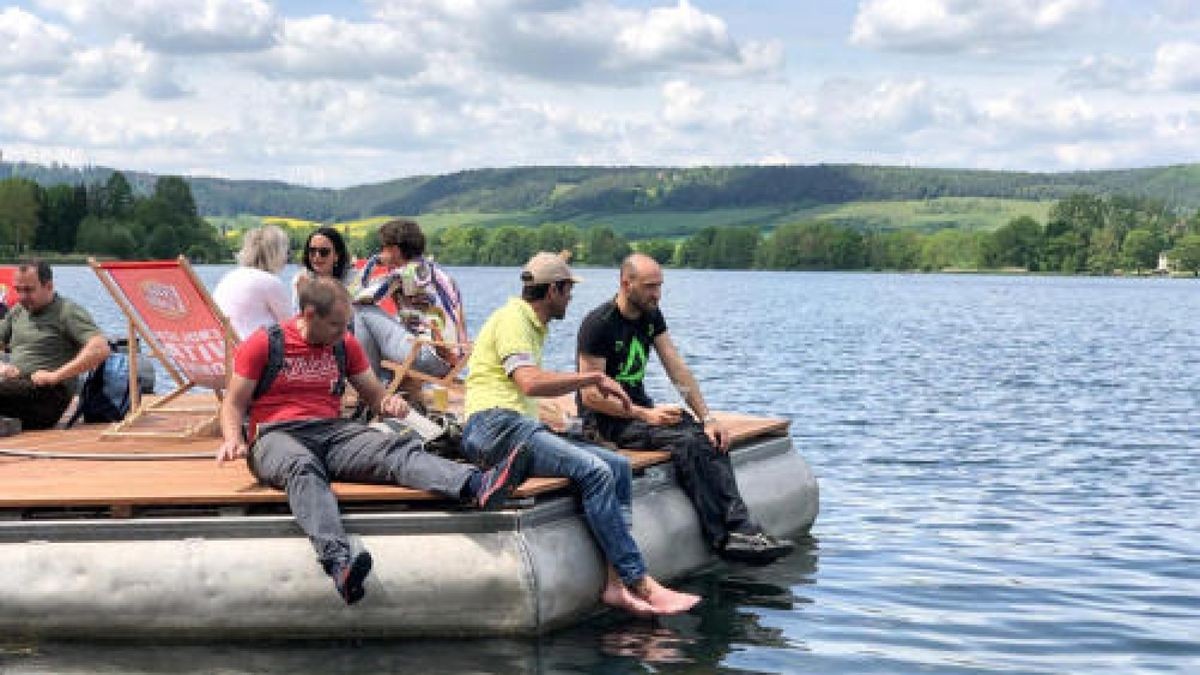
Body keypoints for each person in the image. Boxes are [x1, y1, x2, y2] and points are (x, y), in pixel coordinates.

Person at [216, 278, 530, 605]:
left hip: (332, 431)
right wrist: (233, 438)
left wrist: (388, 403)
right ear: (309, 315)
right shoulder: (264, 343)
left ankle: (477, 485)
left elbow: (376, 395)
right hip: (275, 436)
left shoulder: (344, 344)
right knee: (302, 467)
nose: (344, 332)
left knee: (392, 448)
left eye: (346, 324)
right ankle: (339, 564)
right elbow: (234, 403)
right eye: (336, 325)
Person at [460, 251, 701, 617]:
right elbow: (528, 381)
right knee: (595, 471)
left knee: (617, 466)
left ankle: (615, 586)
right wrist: (593, 377)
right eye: (568, 289)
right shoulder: (514, 320)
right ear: (553, 290)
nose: (571, 298)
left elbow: (514, 386)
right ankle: (641, 581)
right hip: (495, 429)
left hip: (518, 425)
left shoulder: (530, 324)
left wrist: (547, 413)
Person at [576, 253, 794, 563]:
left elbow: (675, 366)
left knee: (706, 435)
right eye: (650, 286)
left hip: (640, 413)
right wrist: (645, 414)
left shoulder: (652, 316)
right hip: (605, 422)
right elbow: (590, 397)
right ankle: (721, 538)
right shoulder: (598, 324)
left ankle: (741, 528)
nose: (657, 294)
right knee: (687, 442)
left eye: (660, 286)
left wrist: (708, 418)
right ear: (626, 283)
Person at [351, 219, 466, 385]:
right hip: (455, 360)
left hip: (428, 357)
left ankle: (371, 387)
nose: (380, 252)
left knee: (360, 312)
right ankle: (386, 383)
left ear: (395, 250)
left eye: (383, 247)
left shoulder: (404, 273)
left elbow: (356, 296)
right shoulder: (439, 273)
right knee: (392, 321)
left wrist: (372, 262)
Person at [0, 260, 111, 430]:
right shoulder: (18, 311)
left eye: (29, 290)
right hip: (15, 387)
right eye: (18, 290)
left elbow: (100, 348)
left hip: (48, 395)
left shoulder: (67, 312)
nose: (22, 296)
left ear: (49, 286)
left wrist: (56, 376)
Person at [213, 225, 292, 340]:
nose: (287, 256)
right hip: (248, 350)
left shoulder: (231, 276)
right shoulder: (270, 282)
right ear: (276, 254)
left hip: (223, 346)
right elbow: (291, 326)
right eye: (286, 251)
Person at [292, 226, 354, 310]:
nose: (317, 256)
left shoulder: (353, 279)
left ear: (336, 255)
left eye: (324, 252)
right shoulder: (301, 280)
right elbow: (298, 316)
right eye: (312, 251)